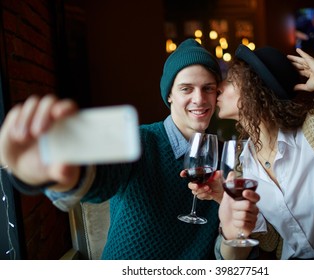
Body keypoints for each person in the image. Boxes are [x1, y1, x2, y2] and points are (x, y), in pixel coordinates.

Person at [0, 38, 222, 259]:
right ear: (170, 95)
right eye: (186, 89)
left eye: (208, 88)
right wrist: (61, 175)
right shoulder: (140, 139)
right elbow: (101, 179)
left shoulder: (224, 159)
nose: (199, 98)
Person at [191, 44, 314, 260]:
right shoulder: (243, 161)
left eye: (230, 80)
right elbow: (268, 241)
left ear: (255, 89)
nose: (218, 88)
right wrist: (225, 198)